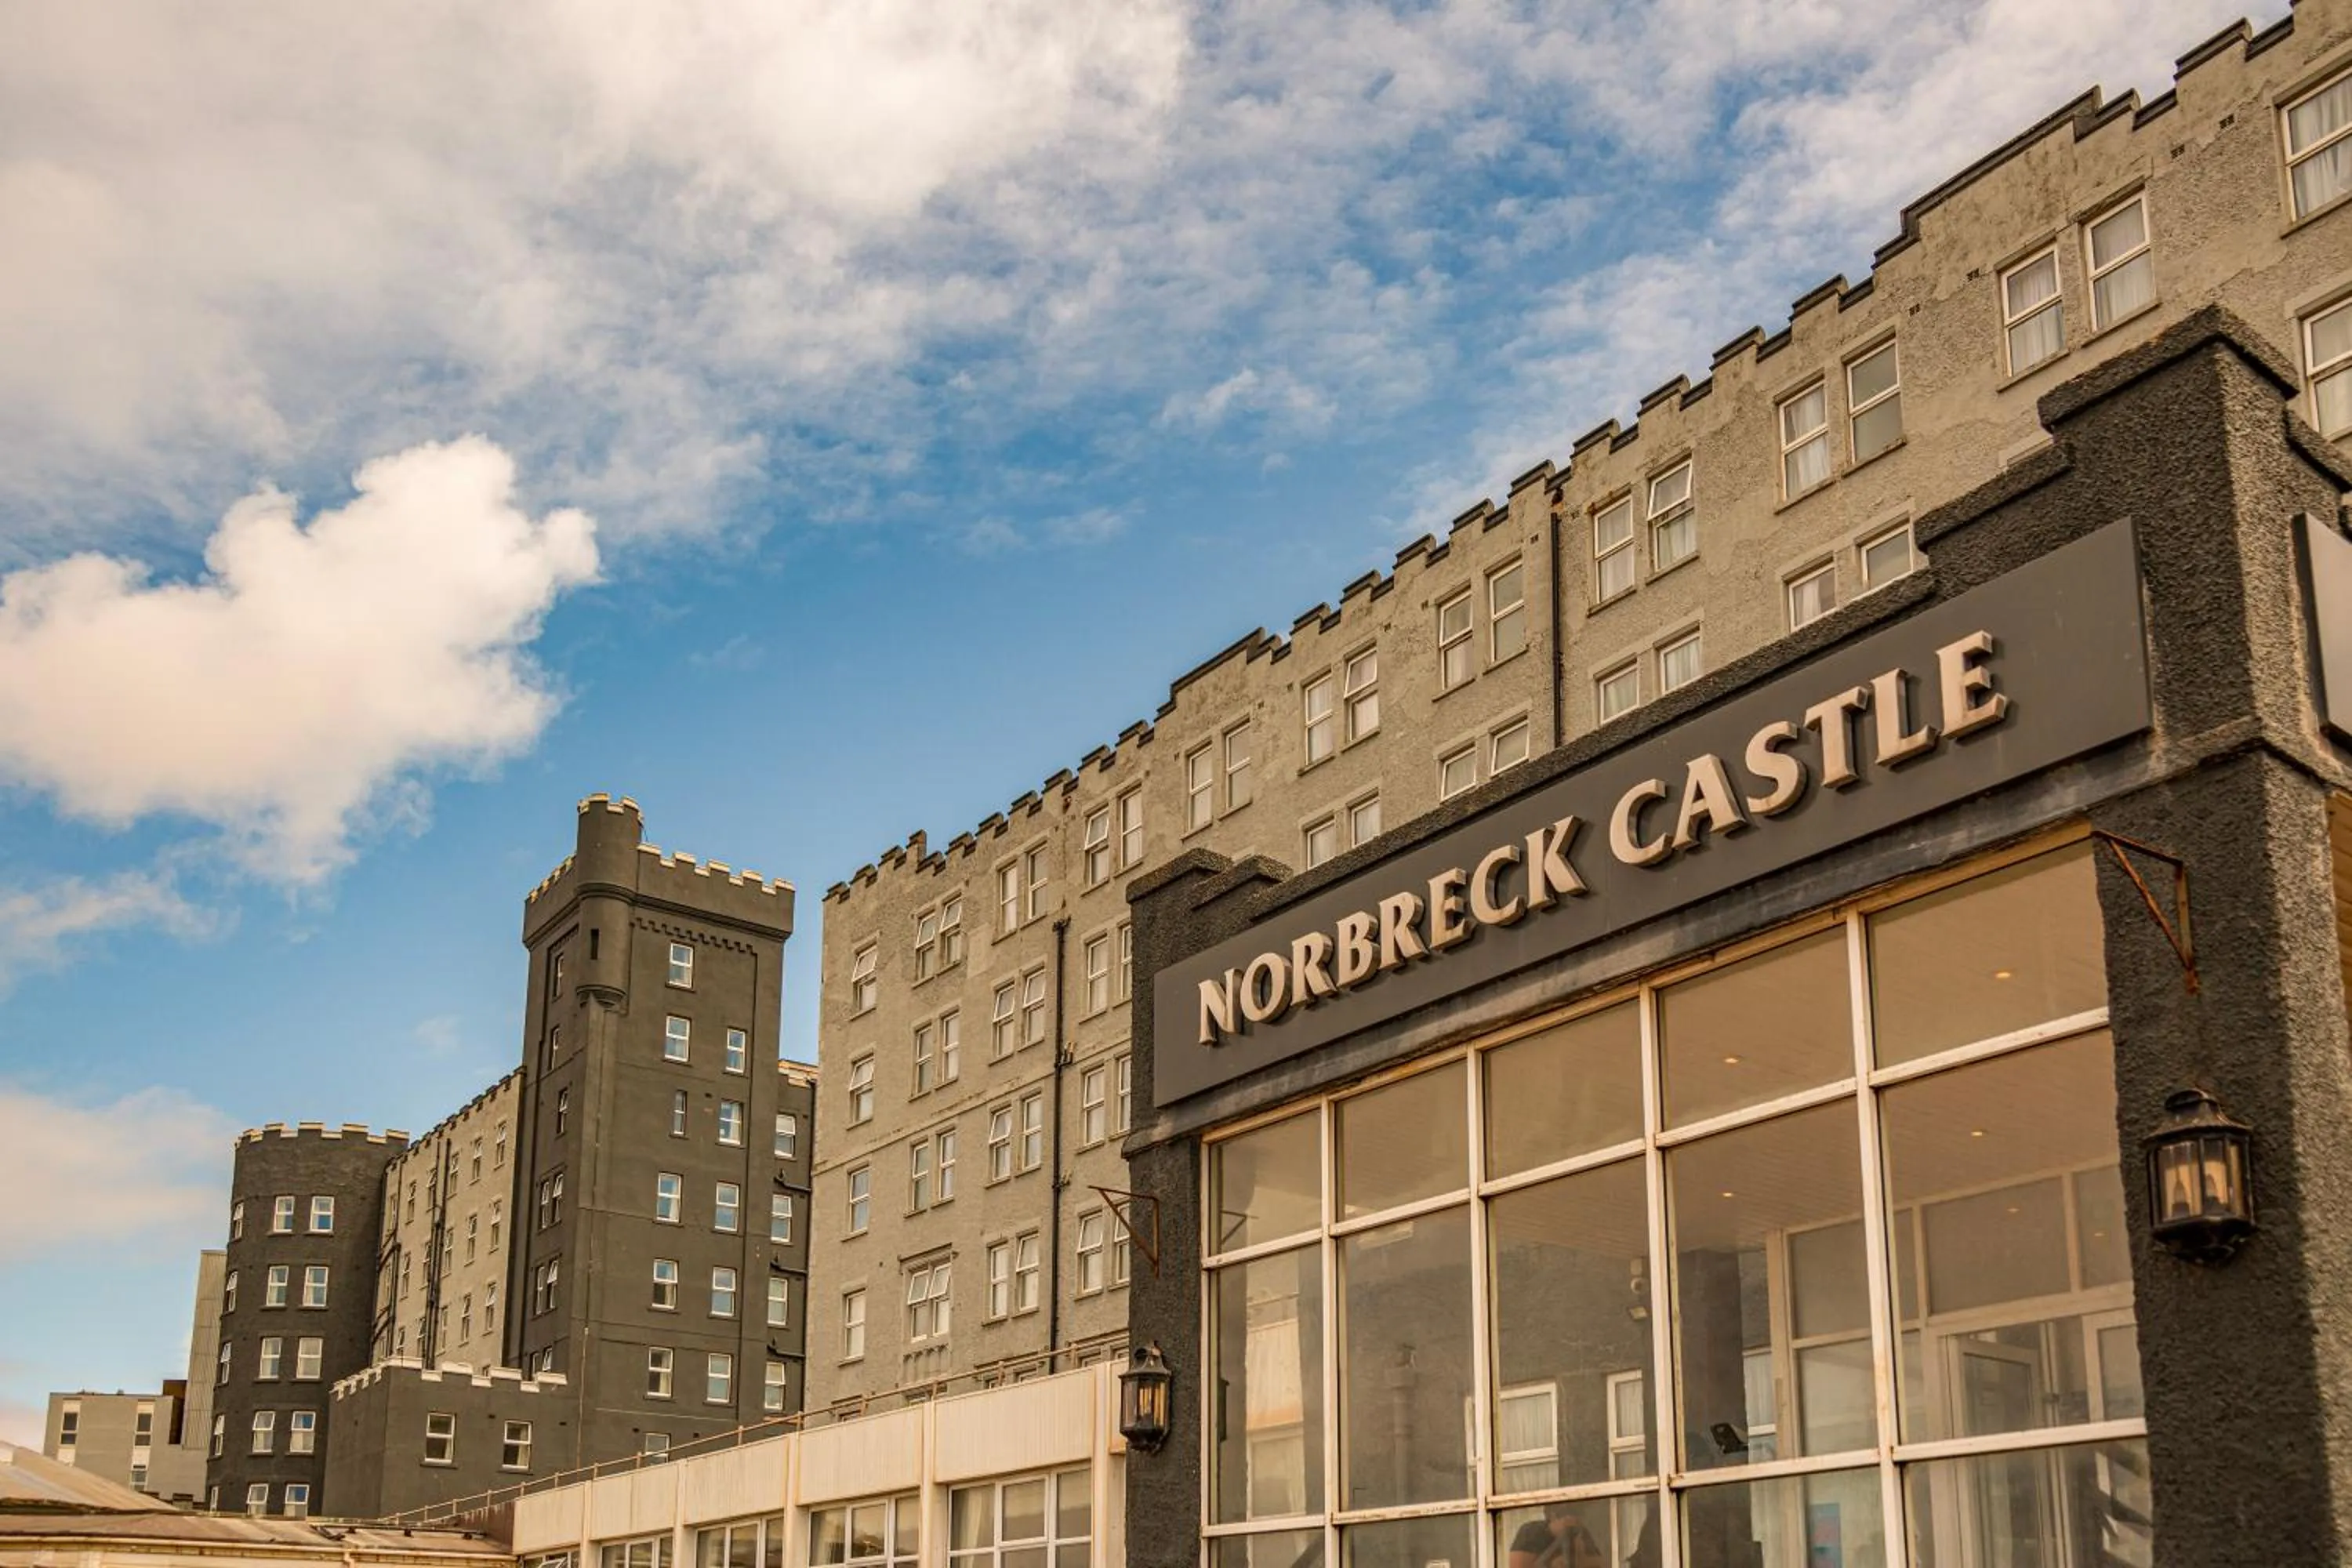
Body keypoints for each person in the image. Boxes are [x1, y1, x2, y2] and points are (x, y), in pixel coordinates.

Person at [1506, 1502, 1605, 1568]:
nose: (1574, 1522)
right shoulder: (1531, 1532)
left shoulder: (1580, 1532)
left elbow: (1599, 1562)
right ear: (1553, 1516)